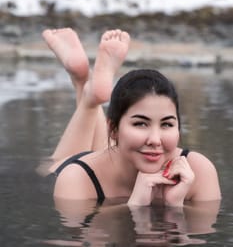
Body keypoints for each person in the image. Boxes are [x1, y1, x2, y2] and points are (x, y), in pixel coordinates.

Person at [42, 27, 221, 207]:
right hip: (87, 169)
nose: (155, 140)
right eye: (141, 123)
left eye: (166, 124)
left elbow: (201, 232)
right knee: (51, 165)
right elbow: (84, 232)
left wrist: (175, 205)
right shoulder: (75, 178)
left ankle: (88, 89)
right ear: (112, 129)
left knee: (119, 147)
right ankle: (86, 88)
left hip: (117, 153)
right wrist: (136, 207)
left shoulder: (199, 171)